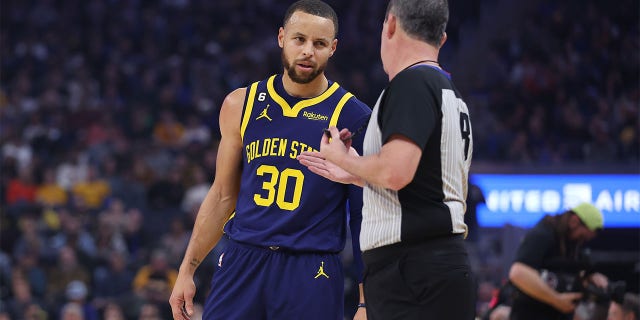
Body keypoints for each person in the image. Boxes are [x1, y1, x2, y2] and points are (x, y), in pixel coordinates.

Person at [168, 1, 371, 319]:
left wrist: (364, 300)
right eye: (299, 39)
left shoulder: (353, 116)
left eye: (319, 44)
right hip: (243, 259)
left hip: (311, 268)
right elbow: (223, 195)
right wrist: (187, 269)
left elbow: (363, 217)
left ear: (333, 49)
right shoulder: (241, 103)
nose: (307, 51)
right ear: (281, 38)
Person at [298, 0, 475, 318]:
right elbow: (421, 184)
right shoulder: (448, 91)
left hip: (412, 270)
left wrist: (343, 158)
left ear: (390, 25)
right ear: (442, 39)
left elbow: (395, 172)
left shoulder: (411, 84)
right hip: (439, 265)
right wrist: (355, 174)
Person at [507, 202, 609, 320]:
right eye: (582, 236)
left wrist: (591, 276)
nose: (582, 241)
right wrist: (556, 300)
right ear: (574, 221)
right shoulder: (544, 233)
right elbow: (518, 273)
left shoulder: (572, 246)